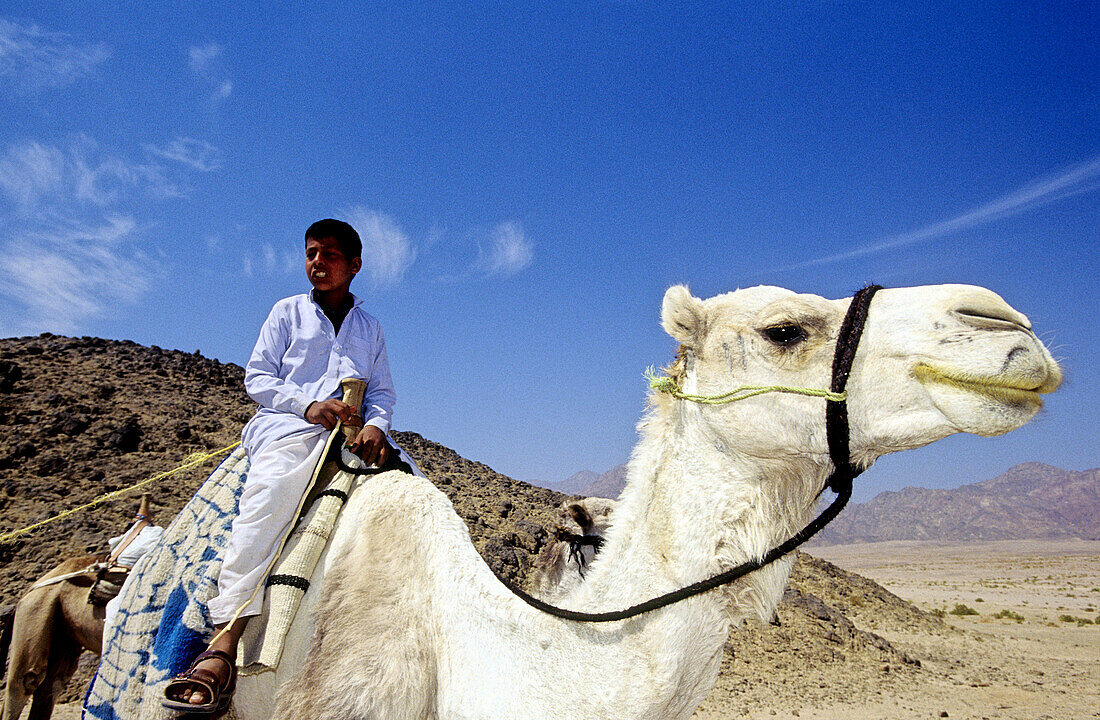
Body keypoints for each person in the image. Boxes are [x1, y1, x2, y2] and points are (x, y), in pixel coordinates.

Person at [163, 218, 412, 714]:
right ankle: (224, 642)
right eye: (311, 253)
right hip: (288, 430)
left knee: (418, 494)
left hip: (353, 436)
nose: (317, 262)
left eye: (330, 255)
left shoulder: (371, 327)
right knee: (269, 500)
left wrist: (377, 426)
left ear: (355, 266)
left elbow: (381, 391)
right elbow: (257, 377)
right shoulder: (286, 313)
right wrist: (306, 405)